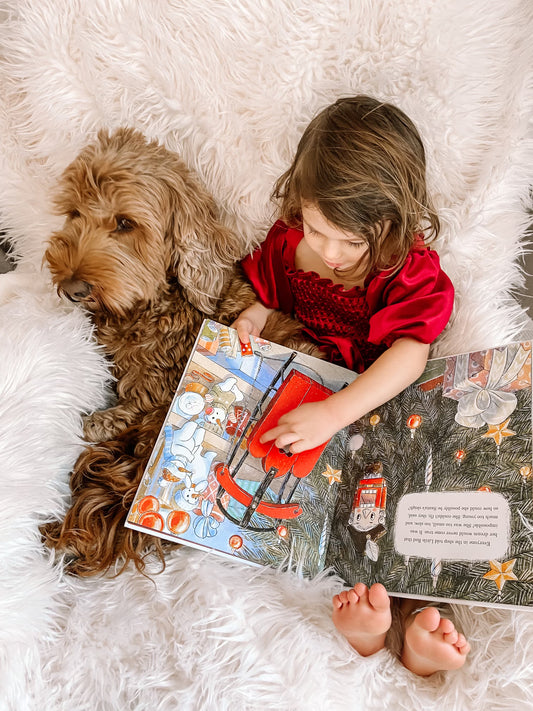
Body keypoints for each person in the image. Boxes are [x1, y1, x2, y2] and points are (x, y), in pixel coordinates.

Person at [232, 95, 469, 675]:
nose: (330, 254)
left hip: (375, 400)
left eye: (351, 242)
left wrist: (337, 412)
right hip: (311, 392)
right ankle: (367, 621)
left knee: (400, 500)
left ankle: (414, 624)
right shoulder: (294, 244)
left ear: (390, 229)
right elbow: (270, 286)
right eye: (318, 229)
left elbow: (411, 357)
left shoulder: (403, 270)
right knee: (320, 499)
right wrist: (256, 315)